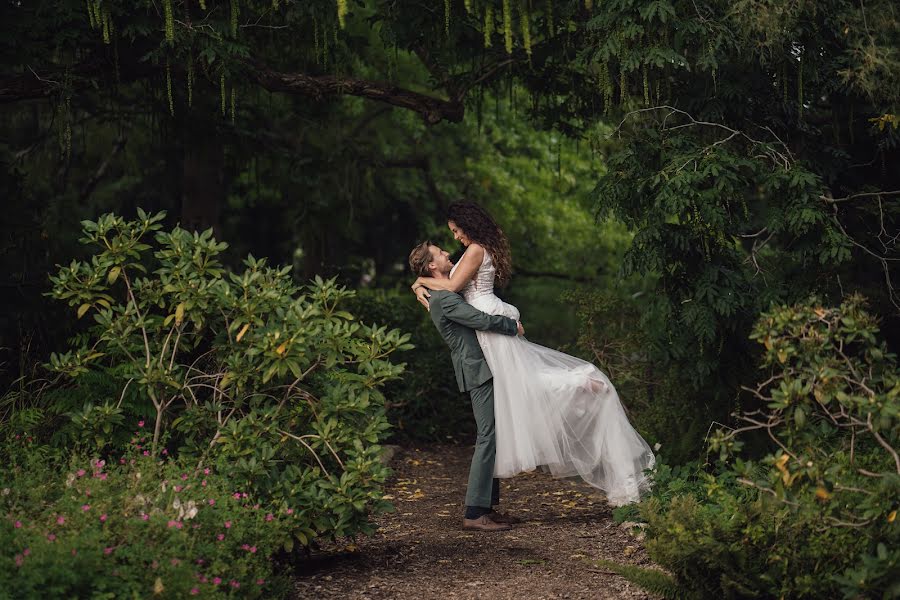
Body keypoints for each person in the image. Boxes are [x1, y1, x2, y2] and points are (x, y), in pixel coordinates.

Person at [411, 202, 655, 506]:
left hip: (493, 329)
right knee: (520, 387)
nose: (455, 239)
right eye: (452, 234)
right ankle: (579, 385)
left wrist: (421, 281)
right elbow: (448, 294)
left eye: (456, 230)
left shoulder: (474, 250)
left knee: (523, 385)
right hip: (489, 330)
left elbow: (452, 285)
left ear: (468, 225)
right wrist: (423, 283)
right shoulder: (471, 251)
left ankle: (579, 384)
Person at [408, 240, 526, 531]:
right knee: (488, 435)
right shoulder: (444, 299)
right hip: (477, 370)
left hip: (482, 367)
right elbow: (479, 320)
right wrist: (512, 326)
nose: (448, 253)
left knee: (493, 434)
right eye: (440, 253)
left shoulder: (442, 293)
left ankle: (486, 507)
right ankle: (474, 512)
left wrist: (418, 283)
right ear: (432, 265)